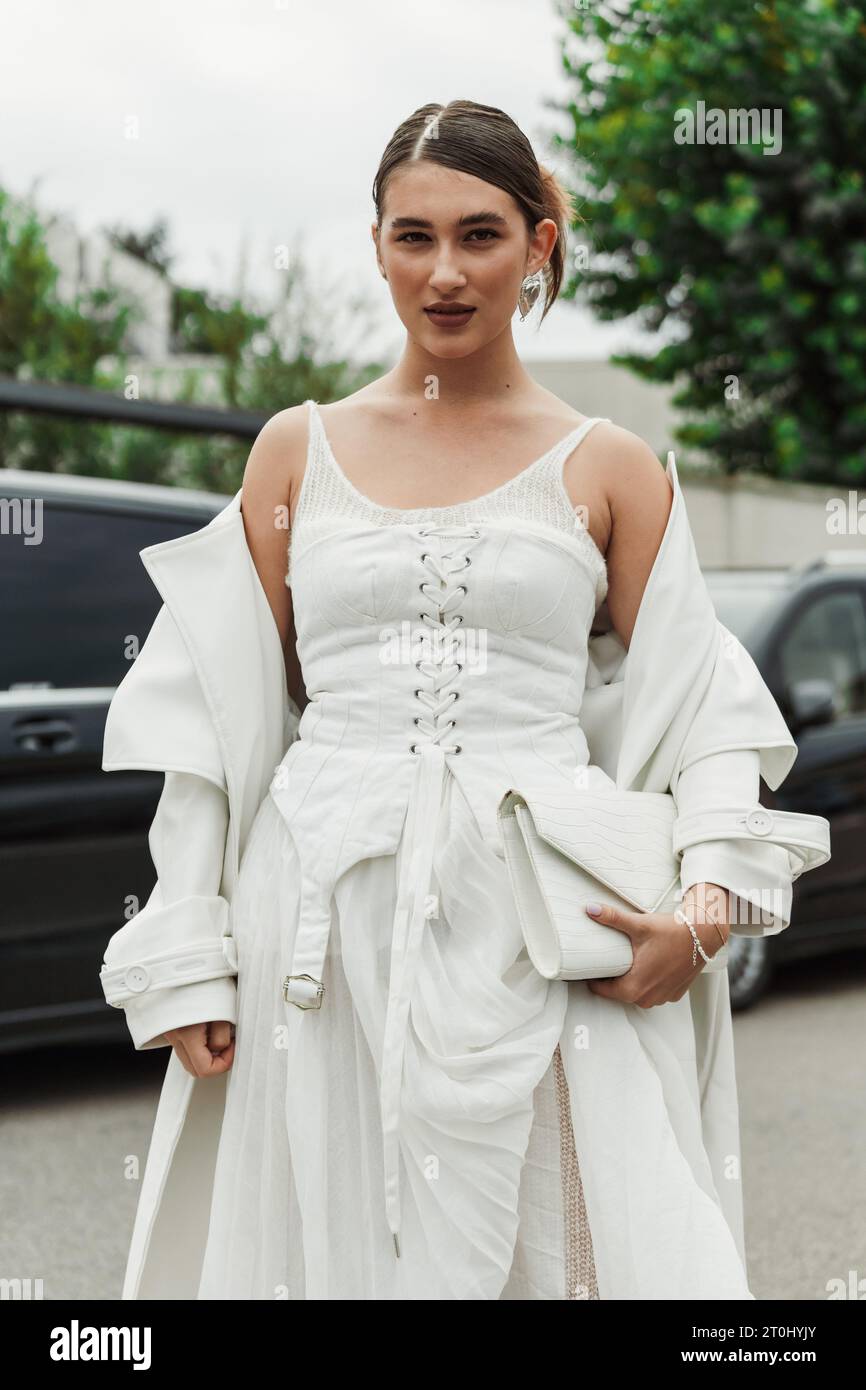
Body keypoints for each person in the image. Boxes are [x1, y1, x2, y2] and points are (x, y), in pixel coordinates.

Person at [98, 100, 826, 1300]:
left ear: (538, 245)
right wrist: (189, 945)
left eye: (480, 235)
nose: (443, 273)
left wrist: (700, 913)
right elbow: (217, 714)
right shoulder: (296, 449)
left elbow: (703, 709)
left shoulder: (611, 466)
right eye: (411, 235)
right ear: (375, 243)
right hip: (317, 928)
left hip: (542, 924)